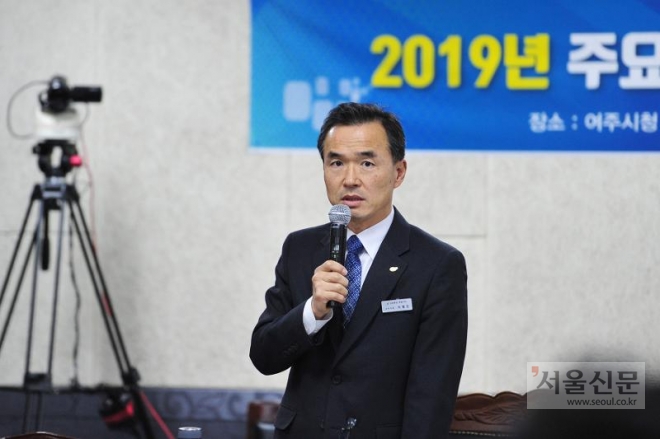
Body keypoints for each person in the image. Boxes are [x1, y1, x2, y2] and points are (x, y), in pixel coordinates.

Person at [250, 102, 468, 439]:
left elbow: (431, 394)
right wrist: (311, 312)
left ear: (398, 173)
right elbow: (264, 356)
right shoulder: (300, 249)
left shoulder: (437, 264)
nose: (350, 179)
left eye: (367, 163)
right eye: (336, 162)